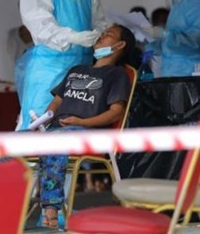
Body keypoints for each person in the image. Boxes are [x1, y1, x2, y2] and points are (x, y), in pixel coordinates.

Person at [38, 24, 135, 228]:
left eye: (107, 34)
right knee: (7, 145)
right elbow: (56, 102)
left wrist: (81, 122)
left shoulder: (117, 75)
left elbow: (115, 112)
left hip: (87, 132)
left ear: (120, 45)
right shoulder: (77, 70)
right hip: (56, 129)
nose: (100, 37)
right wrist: (42, 119)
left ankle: (51, 209)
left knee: (56, 143)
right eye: (101, 34)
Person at [16, 0, 107, 131]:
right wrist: (73, 38)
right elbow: (42, 27)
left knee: (72, 128)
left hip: (82, 74)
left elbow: (100, 22)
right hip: (49, 72)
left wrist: (99, 38)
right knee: (39, 125)